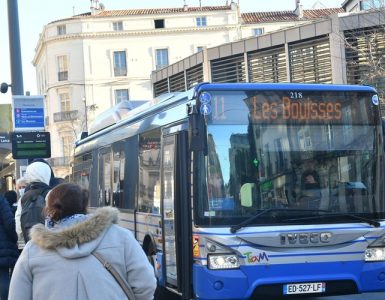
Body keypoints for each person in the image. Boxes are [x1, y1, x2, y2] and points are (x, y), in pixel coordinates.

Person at [9, 183, 157, 300]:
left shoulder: (33, 250)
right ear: (85, 205)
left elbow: (18, 295)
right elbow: (146, 284)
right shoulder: (121, 237)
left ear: (49, 209)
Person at [20, 161, 52, 243]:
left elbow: (18, 226)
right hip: (49, 244)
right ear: (47, 174)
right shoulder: (52, 194)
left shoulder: (24, 197)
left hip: (30, 244)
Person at [0, 194, 19, 300]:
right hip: (2, 242)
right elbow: (9, 223)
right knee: (3, 275)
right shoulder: (1, 200)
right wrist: (14, 238)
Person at [14, 177, 29, 252]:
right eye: (19, 187)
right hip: (21, 240)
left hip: (26, 239)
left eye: (24, 187)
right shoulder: (20, 200)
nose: (21, 189)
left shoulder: (28, 198)